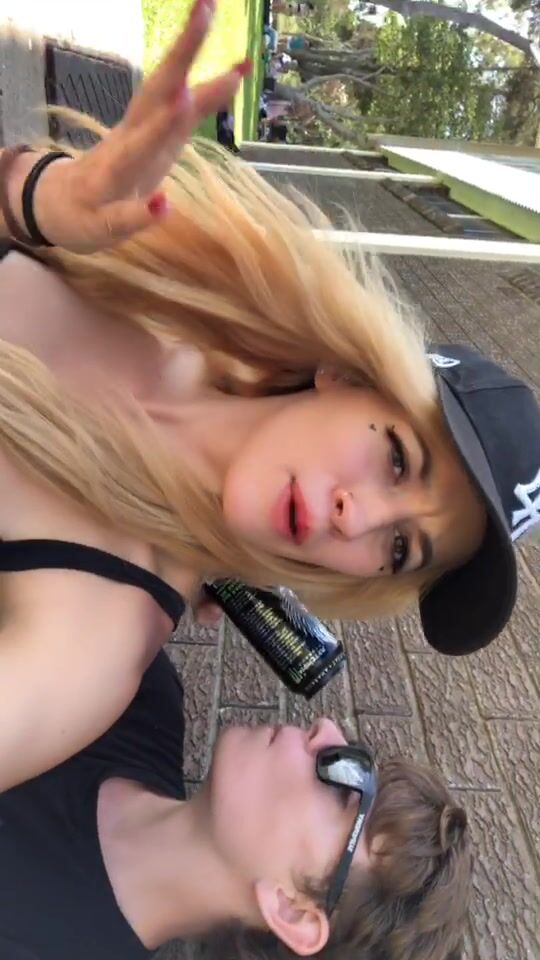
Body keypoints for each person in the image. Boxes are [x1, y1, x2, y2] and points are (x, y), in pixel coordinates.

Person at [0, 0, 539, 792]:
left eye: (400, 549)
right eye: (397, 459)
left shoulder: (95, 640)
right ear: (349, 376)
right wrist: (38, 198)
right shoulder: (162, 284)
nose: (359, 517)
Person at [0, 647, 472, 960]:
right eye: (356, 750)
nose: (326, 728)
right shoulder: (141, 692)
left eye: (346, 786)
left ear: (291, 911)